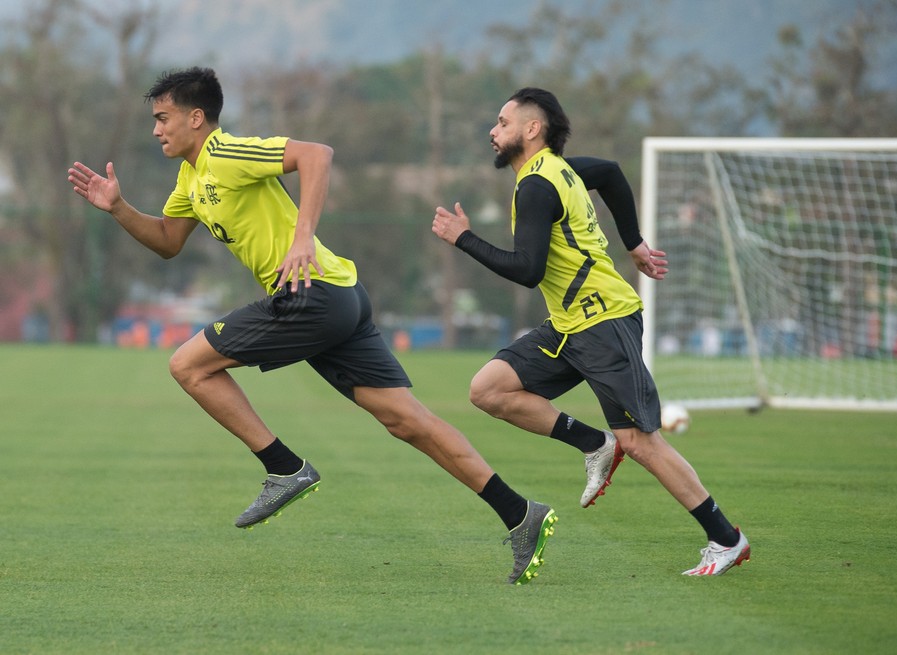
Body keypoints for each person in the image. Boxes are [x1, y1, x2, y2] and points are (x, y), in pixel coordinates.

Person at [67, 67, 557, 585]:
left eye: (163, 118)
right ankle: (520, 514)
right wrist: (118, 207)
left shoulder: (227, 153)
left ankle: (283, 467)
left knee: (188, 364)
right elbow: (167, 240)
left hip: (313, 295)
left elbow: (316, 154)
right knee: (407, 421)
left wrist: (303, 237)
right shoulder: (191, 178)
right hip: (337, 296)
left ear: (196, 118)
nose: (156, 130)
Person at [431, 87, 750, 576]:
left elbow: (528, 270)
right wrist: (634, 242)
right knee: (488, 389)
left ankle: (726, 538)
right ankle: (594, 444)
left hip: (602, 322)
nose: (492, 133)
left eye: (501, 122)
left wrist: (464, 238)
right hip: (568, 325)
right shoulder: (559, 170)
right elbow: (611, 174)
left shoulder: (537, 184)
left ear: (531, 129)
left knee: (642, 441)